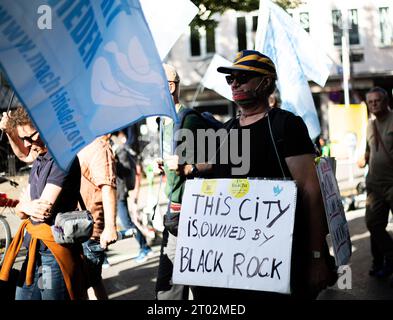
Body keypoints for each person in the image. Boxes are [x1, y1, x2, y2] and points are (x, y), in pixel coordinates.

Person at [192, 50, 337, 300]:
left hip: (282, 261)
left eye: (243, 77)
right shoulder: (226, 131)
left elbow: (311, 192)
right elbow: (215, 177)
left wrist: (316, 257)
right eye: (230, 79)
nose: (234, 83)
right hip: (236, 265)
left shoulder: (286, 125)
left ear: (266, 82)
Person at [0, 106, 86, 300]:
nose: (28, 144)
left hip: (54, 254)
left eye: (31, 136)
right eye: (24, 139)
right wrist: (25, 206)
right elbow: (24, 211)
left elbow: (42, 211)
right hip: (35, 248)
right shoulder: (39, 157)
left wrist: (25, 206)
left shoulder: (63, 159)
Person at [154, 64, 213, 300]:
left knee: (186, 277)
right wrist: (168, 166)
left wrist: (188, 167)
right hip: (175, 209)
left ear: (169, 87)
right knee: (180, 277)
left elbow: (219, 159)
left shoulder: (189, 121)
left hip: (193, 209)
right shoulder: (164, 122)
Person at [77, 135, 118, 300]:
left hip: (89, 229)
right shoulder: (79, 143)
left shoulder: (100, 147)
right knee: (88, 283)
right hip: (73, 227)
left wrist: (110, 227)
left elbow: (108, 187)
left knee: (89, 283)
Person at [358, 87, 393, 278]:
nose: (373, 105)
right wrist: (364, 158)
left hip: (392, 183)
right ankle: (387, 259)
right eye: (370, 102)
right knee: (373, 224)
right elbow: (369, 150)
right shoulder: (369, 125)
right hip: (374, 185)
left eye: (377, 101)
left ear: (386, 101)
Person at [111, 130, 152, 263]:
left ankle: (144, 247)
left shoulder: (119, 149)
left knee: (126, 222)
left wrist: (114, 162)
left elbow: (127, 170)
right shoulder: (110, 147)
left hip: (119, 192)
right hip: (111, 193)